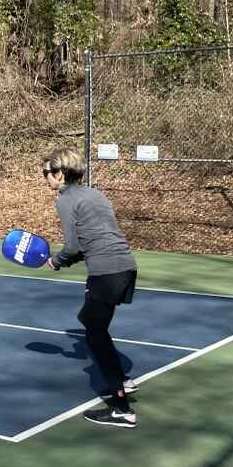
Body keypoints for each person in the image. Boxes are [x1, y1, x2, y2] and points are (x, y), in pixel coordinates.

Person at [43, 148, 140, 429]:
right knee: (90, 321)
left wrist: (58, 261)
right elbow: (97, 235)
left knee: (95, 333)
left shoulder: (64, 200)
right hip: (125, 266)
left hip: (106, 270)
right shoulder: (94, 193)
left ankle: (122, 409)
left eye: (47, 173)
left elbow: (74, 246)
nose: (45, 178)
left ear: (60, 173)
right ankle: (123, 380)